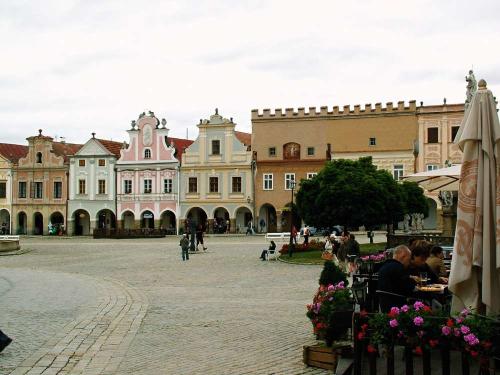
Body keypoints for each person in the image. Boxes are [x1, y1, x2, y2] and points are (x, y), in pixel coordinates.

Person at [377, 245, 417, 312]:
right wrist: (414, 281)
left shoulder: (384, 266)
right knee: (422, 303)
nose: (409, 262)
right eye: (409, 259)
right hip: (397, 305)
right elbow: (409, 288)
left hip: (384, 305)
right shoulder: (399, 268)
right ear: (403, 256)